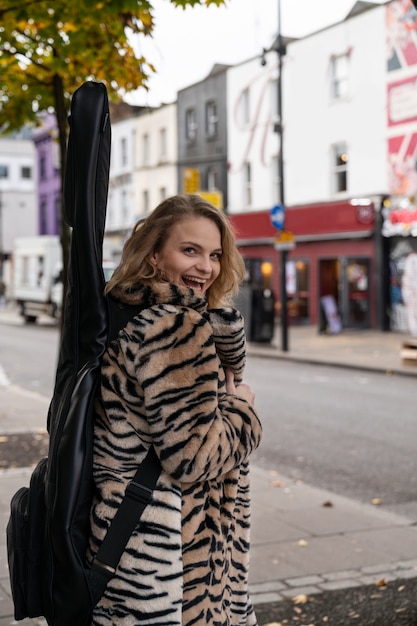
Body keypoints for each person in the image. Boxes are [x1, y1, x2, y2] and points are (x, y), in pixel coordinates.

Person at [87, 193, 263, 626]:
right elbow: (193, 457)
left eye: (215, 254)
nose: (206, 267)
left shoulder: (127, 315)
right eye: (190, 251)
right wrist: (242, 410)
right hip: (171, 556)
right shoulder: (175, 326)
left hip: (134, 540)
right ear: (154, 253)